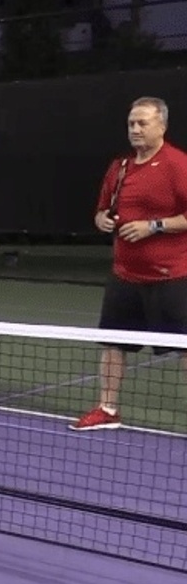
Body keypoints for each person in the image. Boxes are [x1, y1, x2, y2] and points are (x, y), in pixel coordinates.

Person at [72, 96, 187, 431]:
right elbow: (101, 210)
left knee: (184, 347)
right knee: (113, 344)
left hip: (172, 276)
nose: (135, 129)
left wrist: (154, 225)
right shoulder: (119, 167)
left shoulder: (178, 165)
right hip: (125, 276)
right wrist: (101, 220)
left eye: (143, 123)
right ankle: (107, 409)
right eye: (131, 124)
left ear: (161, 126)